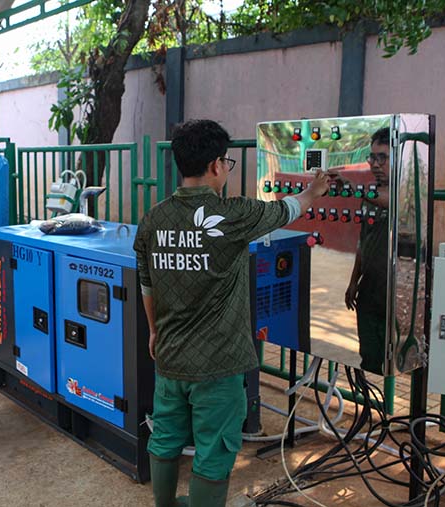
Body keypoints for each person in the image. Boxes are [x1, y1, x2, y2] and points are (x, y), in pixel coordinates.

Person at [133, 119, 329, 507]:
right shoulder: (232, 216)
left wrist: (155, 332)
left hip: (170, 357)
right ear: (214, 166)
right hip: (218, 363)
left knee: (166, 435)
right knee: (215, 446)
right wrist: (315, 190)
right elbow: (287, 209)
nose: (226, 167)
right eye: (226, 161)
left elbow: (147, 285)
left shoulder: (153, 219)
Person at [340, 127, 391, 374]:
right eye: (373, 157)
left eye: (383, 157)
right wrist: (353, 281)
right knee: (368, 358)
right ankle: (370, 407)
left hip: (394, 295)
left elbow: (390, 200)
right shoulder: (368, 197)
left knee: (393, 360)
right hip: (369, 292)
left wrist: (350, 186)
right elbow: (363, 241)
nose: (376, 164)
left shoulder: (408, 193)